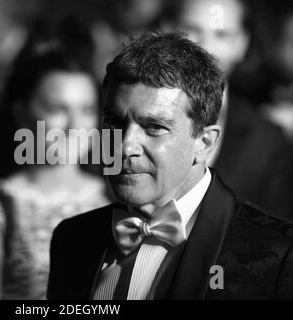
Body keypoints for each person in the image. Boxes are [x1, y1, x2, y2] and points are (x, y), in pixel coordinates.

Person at [47, 32, 293, 300]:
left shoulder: (278, 254)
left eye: (154, 127)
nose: (126, 146)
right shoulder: (72, 240)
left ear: (205, 142)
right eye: (115, 123)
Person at [0, 24, 111, 300]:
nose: (75, 126)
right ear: (22, 113)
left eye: (87, 110)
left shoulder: (116, 195)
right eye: (58, 109)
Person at [162, 0, 293, 219]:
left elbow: (278, 241)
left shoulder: (269, 142)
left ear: (242, 43)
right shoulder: (120, 114)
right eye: (192, 30)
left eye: (221, 35)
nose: (205, 46)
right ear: (167, 32)